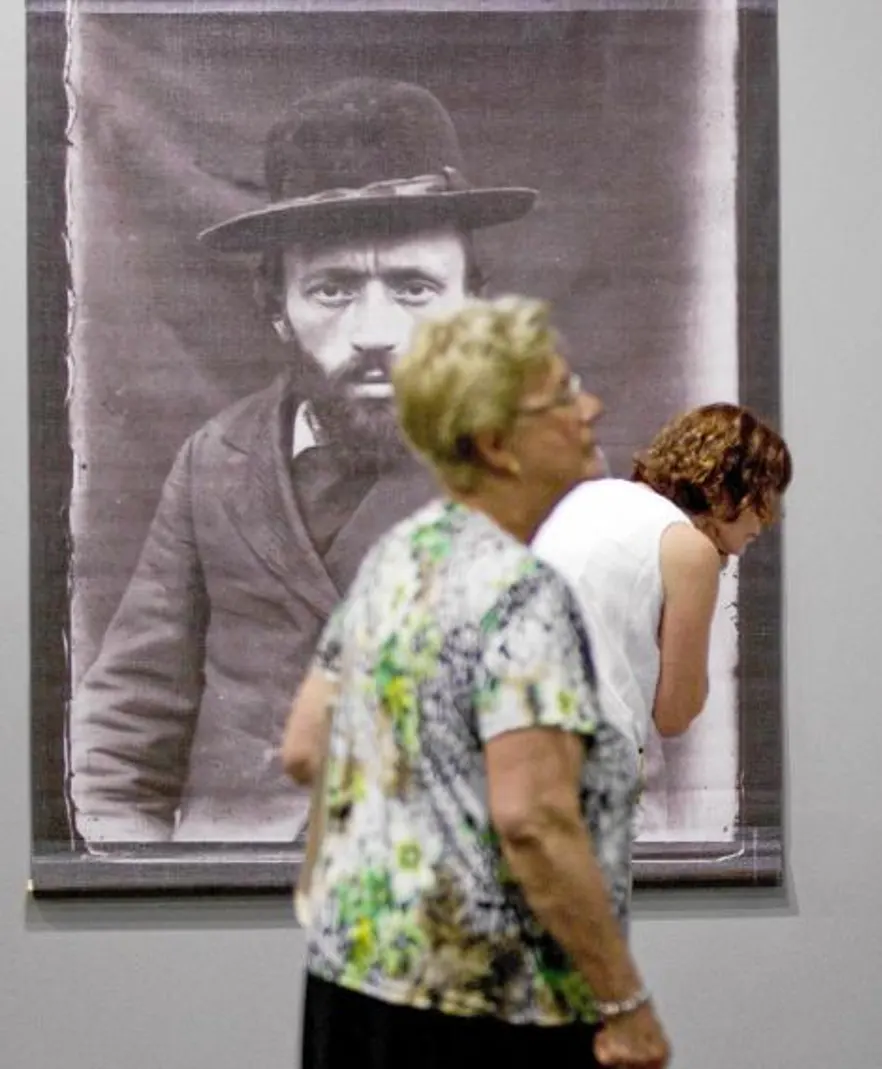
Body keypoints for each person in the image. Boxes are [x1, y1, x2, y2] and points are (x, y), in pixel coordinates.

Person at [69, 76, 537, 844]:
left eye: (415, 287)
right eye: (332, 288)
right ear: (276, 305)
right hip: (218, 902)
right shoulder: (214, 463)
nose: (375, 329)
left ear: (472, 301)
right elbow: (122, 732)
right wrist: (133, 892)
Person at [278, 296, 668, 1069]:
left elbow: (303, 746)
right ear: (497, 443)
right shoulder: (522, 592)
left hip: (353, 989)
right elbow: (533, 819)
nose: (587, 407)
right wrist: (626, 1003)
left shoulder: (400, 556)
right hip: (489, 1011)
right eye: (561, 396)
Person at [530, 403, 792, 788]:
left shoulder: (587, 499)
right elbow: (676, 714)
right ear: (727, 486)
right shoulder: (686, 549)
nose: (765, 521)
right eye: (765, 497)